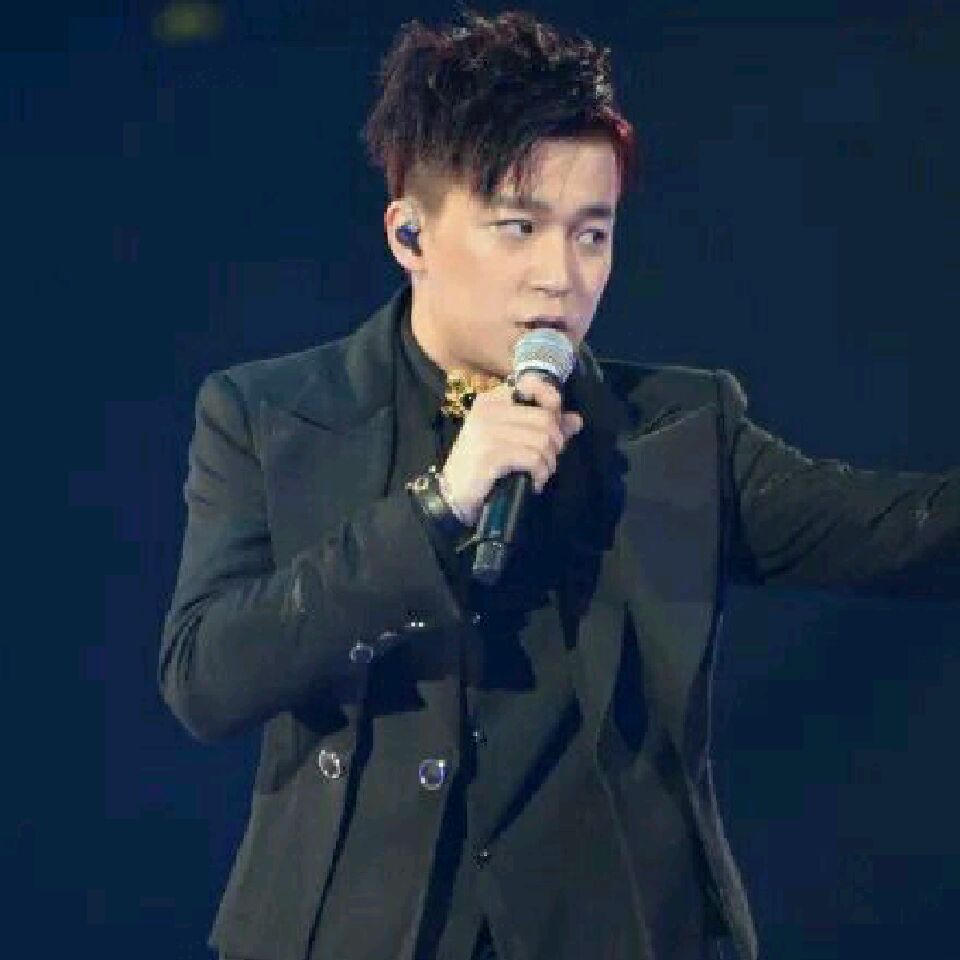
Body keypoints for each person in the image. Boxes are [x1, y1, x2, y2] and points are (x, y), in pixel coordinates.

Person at [158, 9, 960, 960]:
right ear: (410, 234)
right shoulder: (272, 414)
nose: (561, 276)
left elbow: (906, 531)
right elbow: (208, 677)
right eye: (519, 227)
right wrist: (436, 509)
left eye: (592, 234)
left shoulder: (674, 433)